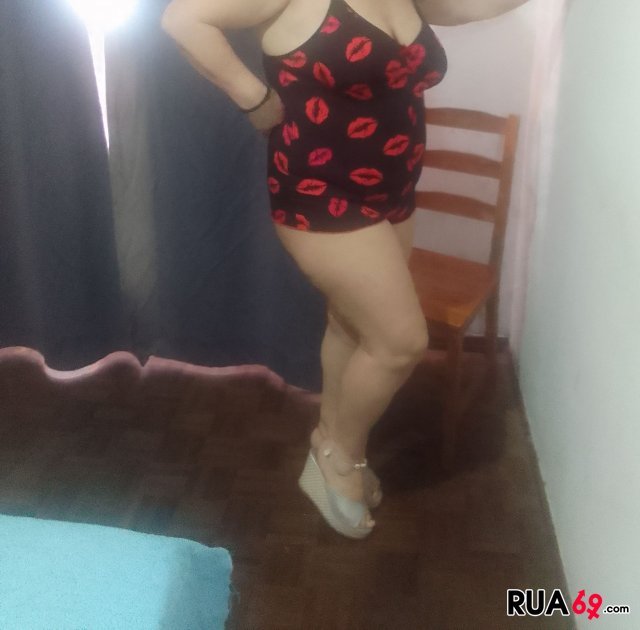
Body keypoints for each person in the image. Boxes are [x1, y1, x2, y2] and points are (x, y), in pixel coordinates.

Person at [162, 0, 529, 539]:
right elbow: (182, 20)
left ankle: (327, 439)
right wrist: (253, 98)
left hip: (393, 189)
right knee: (400, 342)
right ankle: (340, 456)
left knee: (349, 325)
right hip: (319, 191)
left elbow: (471, 6)